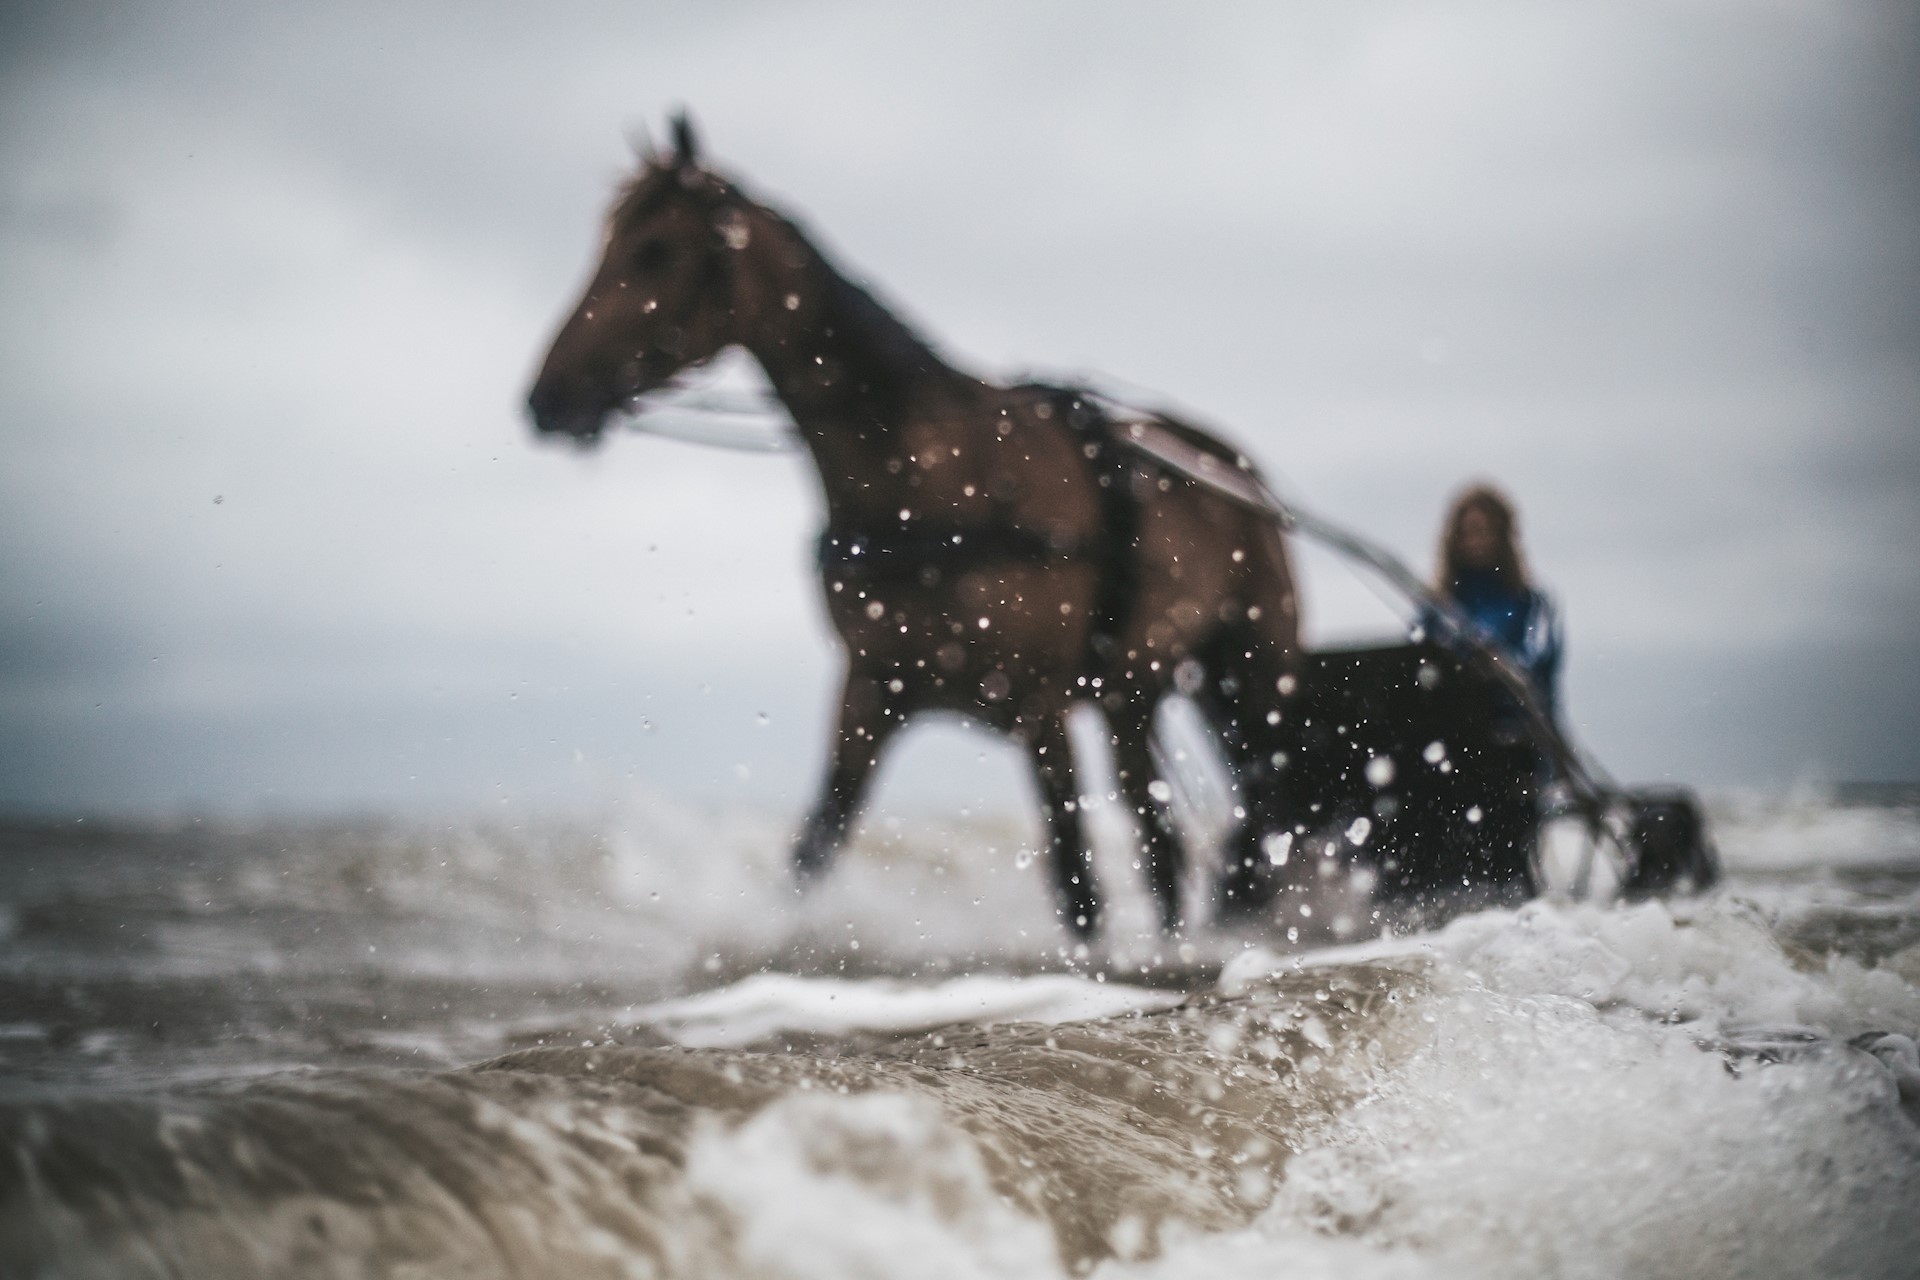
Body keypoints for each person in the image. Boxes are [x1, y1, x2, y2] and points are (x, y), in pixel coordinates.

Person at [1422, 483, 1562, 720]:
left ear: (1504, 536)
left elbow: (1537, 665)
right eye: (1468, 532)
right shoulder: (1438, 609)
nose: (1477, 542)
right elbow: (1418, 658)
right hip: (1457, 729)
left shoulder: (1532, 604)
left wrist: (1496, 661)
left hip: (1520, 735)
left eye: (1486, 531)